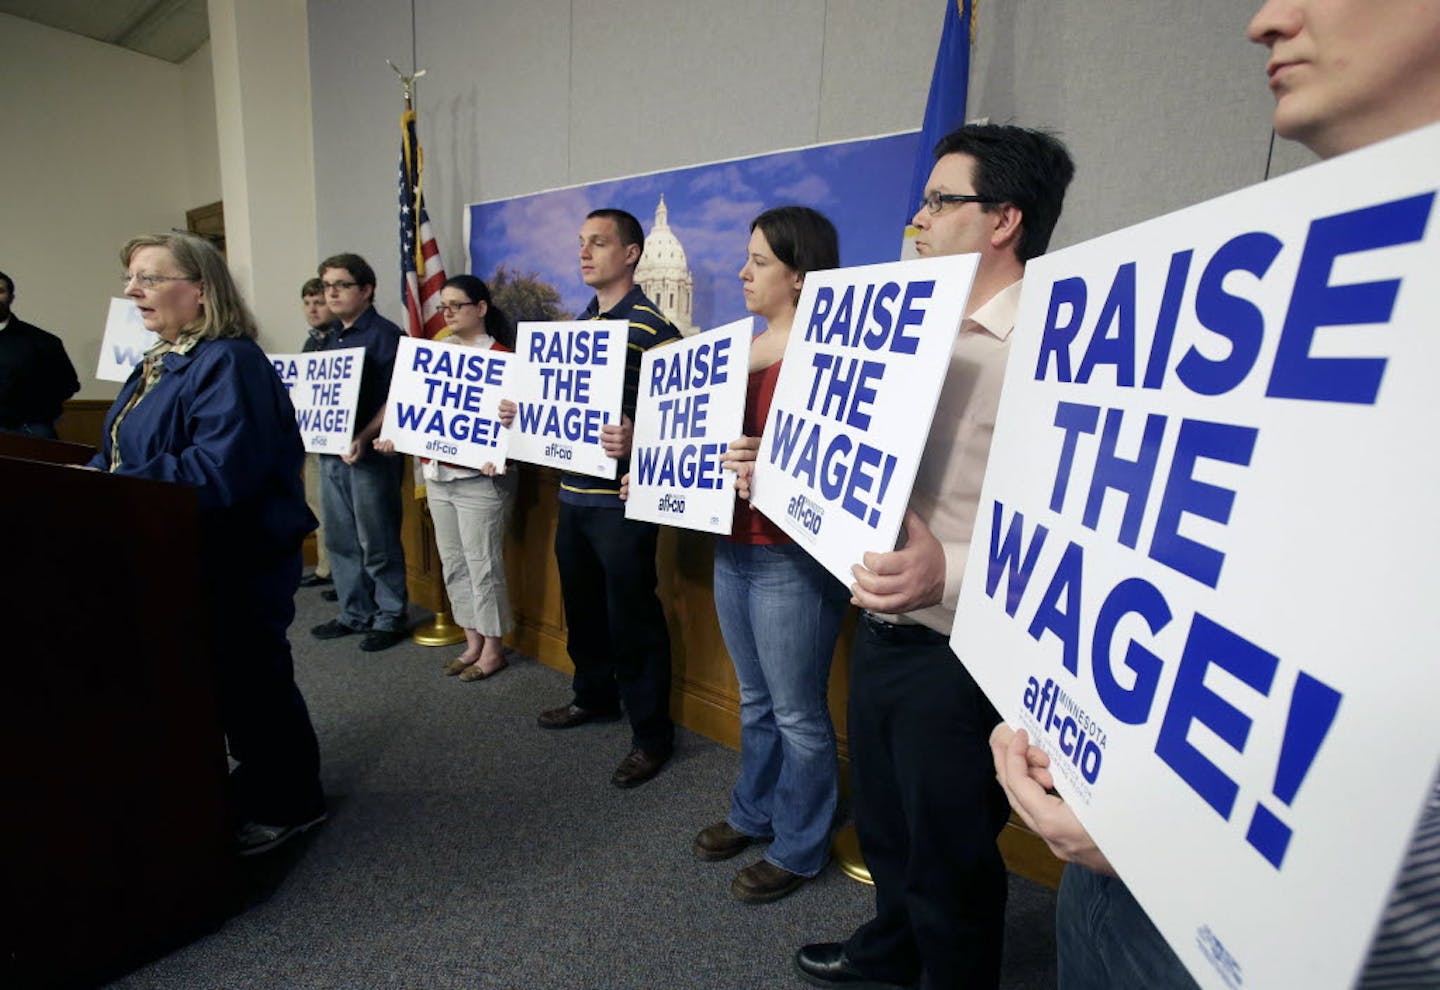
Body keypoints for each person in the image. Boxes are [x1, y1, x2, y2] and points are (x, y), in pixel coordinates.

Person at [990, 4, 1440, 987]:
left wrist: (1187, 858)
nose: (1265, 19)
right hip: (1110, 890)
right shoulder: (1299, 290)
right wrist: (1048, 699)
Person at [792, 125, 1075, 990]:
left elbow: (1075, 530)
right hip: (882, 623)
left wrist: (947, 567)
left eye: (940, 201)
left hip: (967, 645)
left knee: (949, 851)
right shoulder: (902, 328)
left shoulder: (1056, 345)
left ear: (1004, 220)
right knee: (886, 824)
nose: (917, 219)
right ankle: (889, 955)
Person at [88, 233, 325, 855]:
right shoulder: (162, 359)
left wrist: (110, 485)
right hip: (176, 554)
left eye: (149, 277)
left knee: (252, 680)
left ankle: (290, 803)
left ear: (200, 289)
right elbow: (121, 448)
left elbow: (218, 470)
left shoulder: (230, 361)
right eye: (130, 276)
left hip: (234, 557)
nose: (131, 290)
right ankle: (252, 785)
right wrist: (85, 479)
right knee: (220, 682)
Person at [689, 207, 851, 904]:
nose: (741, 273)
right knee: (755, 699)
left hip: (793, 556)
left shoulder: (832, 357)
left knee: (796, 712)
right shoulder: (731, 353)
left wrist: (776, 458)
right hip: (734, 545)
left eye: (757, 261)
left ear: (800, 272)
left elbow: (844, 458)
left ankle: (799, 844)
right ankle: (753, 813)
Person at [511, 208, 682, 789]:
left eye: (599, 243)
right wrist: (523, 410)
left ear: (631, 253)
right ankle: (593, 696)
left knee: (632, 616)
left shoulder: (654, 328)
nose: (584, 253)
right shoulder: (578, 326)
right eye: (581, 243)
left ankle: (652, 736)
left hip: (622, 501)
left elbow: (685, 415)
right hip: (573, 495)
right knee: (582, 608)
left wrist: (642, 435)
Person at [374, 275, 516, 681]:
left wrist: (501, 449)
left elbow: (520, 428)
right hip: (438, 475)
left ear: (481, 308)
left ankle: (493, 649)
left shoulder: (504, 357)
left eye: (456, 305)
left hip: (481, 482)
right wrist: (394, 436)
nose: (447, 313)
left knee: (483, 565)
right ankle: (471, 641)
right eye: (443, 307)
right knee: (453, 563)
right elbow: (412, 409)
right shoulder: (434, 354)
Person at [308, 253, 410, 652]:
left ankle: (389, 615)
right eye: (326, 284)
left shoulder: (386, 334)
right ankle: (355, 612)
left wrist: (365, 436)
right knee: (339, 538)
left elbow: (397, 396)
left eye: (342, 284)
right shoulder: (328, 336)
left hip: (371, 454)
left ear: (366, 290)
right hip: (331, 451)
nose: (331, 291)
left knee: (377, 539)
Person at [0, 269, 79, 438]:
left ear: (11, 298)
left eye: (0, 291)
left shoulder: (42, 341)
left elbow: (68, 384)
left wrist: (33, 411)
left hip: (27, 429)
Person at [298, 276, 335, 590]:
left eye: (319, 302)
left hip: (340, 443)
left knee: (340, 514)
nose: (313, 309)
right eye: (308, 304)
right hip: (312, 438)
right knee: (317, 505)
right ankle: (326, 567)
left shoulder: (342, 340)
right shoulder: (311, 343)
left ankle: (341, 575)